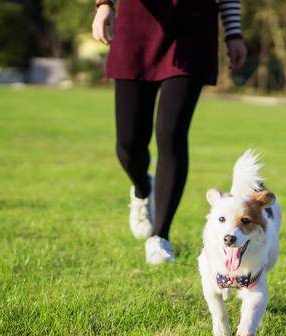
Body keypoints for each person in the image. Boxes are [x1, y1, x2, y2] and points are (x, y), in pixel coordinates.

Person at [92, 0, 247, 264]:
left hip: (193, 27)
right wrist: (104, 5)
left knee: (171, 134)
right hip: (135, 25)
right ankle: (143, 188)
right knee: (128, 143)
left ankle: (160, 237)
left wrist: (233, 33)